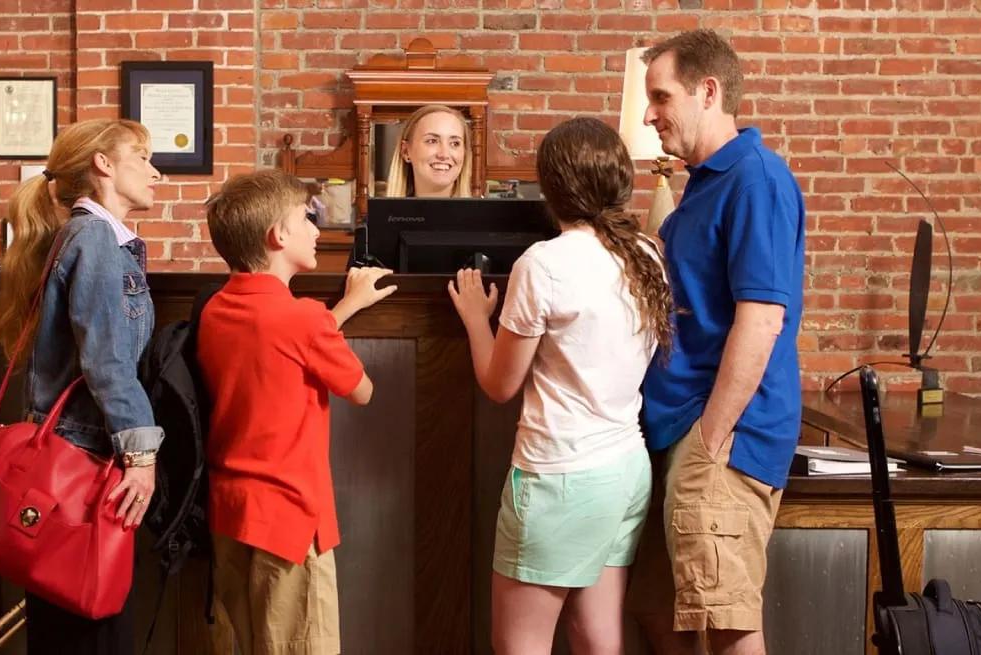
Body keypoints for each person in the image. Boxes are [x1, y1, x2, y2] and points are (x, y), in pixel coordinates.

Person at [446, 117, 675, 655]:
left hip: (560, 477)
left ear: (550, 188)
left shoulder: (544, 265)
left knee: (520, 645)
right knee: (597, 637)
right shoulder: (646, 254)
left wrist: (477, 319)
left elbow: (499, 385)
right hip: (625, 469)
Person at [624, 29, 808, 655]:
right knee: (656, 609)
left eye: (660, 96)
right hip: (675, 433)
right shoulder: (701, 185)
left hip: (719, 439)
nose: (649, 114)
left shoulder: (756, 178)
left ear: (708, 91)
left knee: (725, 621)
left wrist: (711, 438)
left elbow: (761, 320)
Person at [197, 168, 397, 655]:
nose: (316, 228)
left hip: (231, 513)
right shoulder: (303, 318)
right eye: (307, 218)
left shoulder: (214, 309)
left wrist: (341, 310)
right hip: (290, 518)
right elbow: (363, 389)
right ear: (278, 235)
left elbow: (279, 344)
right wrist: (337, 315)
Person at [0, 118, 165, 654]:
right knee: (91, 628)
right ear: (104, 166)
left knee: (72, 623)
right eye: (142, 158)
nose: (155, 172)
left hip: (73, 458)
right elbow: (108, 364)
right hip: (86, 463)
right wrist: (141, 457)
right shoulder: (97, 244)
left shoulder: (89, 239)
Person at [383, 104, 478, 198]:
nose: (444, 154)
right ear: (406, 151)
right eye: (432, 141)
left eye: (455, 143)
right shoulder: (380, 213)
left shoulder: (484, 213)